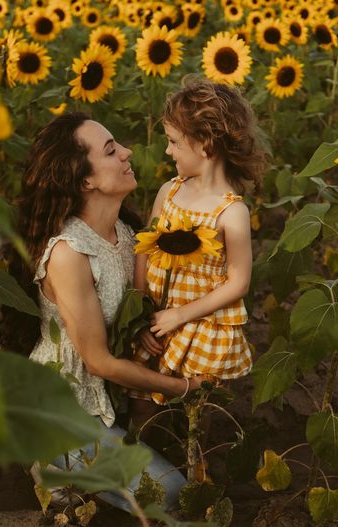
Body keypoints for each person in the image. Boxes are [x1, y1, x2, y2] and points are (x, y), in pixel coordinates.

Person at [7, 111, 205, 510]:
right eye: (112, 151)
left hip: (108, 402)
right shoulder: (68, 253)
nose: (128, 153)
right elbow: (97, 361)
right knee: (169, 493)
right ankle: (57, 471)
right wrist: (185, 389)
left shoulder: (127, 235)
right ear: (86, 181)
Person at [132, 79, 268, 450]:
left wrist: (181, 315)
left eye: (175, 142)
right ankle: (142, 484)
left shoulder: (232, 212)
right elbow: (144, 251)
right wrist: (142, 314)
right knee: (142, 406)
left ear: (206, 143)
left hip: (200, 325)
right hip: (157, 320)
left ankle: (194, 482)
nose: (167, 150)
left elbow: (238, 282)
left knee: (197, 418)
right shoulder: (169, 191)